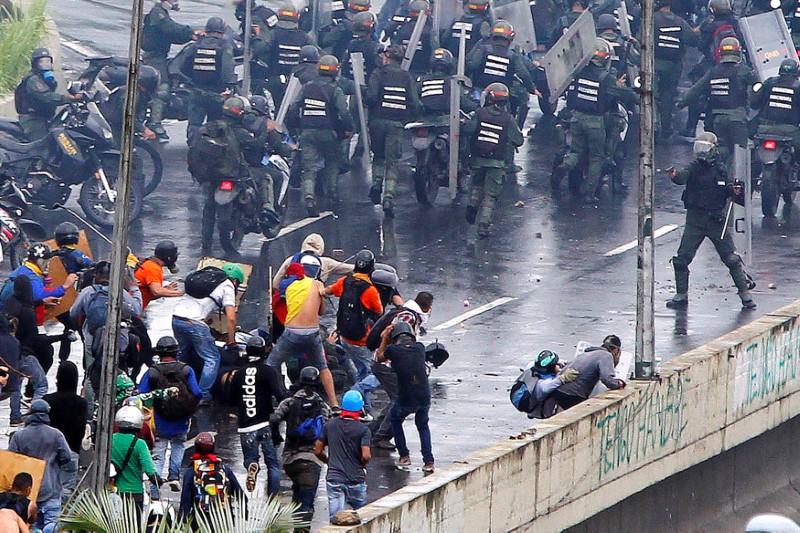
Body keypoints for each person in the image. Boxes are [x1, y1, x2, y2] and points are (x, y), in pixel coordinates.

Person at [665, 132, 757, 310]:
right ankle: (681, 295)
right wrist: (674, 175)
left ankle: (745, 295)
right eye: (699, 148)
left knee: (731, 259)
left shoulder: (720, 169)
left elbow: (726, 188)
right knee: (681, 259)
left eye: (705, 148)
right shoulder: (694, 167)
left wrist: (735, 190)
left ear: (713, 149)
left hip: (716, 222)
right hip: (695, 220)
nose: (702, 153)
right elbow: (682, 176)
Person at [551, 39, 633, 205]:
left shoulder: (579, 71)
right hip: (595, 122)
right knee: (597, 157)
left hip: (576, 118)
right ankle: (589, 193)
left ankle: (565, 166)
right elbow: (626, 94)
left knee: (575, 151)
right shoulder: (606, 77)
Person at [288, 54, 354, 216]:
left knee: (309, 167)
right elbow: (344, 113)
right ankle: (333, 195)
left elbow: (293, 108)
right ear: (335, 71)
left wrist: (295, 125)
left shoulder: (307, 87)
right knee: (332, 162)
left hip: (307, 132)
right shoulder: (335, 90)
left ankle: (309, 197)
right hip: (328, 133)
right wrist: (349, 128)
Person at [267, 260, 340, 408]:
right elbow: (321, 312)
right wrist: (320, 294)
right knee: (323, 367)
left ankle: (279, 396)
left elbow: (281, 306)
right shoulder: (316, 284)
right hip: (313, 334)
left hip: (292, 334)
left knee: (271, 363)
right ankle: (335, 404)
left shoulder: (287, 285)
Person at [69, 261, 143, 404]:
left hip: (92, 342)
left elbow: (73, 313)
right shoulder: (119, 292)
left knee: (90, 376)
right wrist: (134, 289)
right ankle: (118, 403)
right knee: (119, 371)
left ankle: (90, 409)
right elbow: (136, 310)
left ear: (96, 275)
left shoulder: (88, 291)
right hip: (117, 342)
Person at [139, 336, 202, 495]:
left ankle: (154, 490)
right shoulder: (186, 370)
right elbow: (197, 392)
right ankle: (174, 476)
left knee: (159, 452)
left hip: (160, 420)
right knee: (178, 444)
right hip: (182, 419)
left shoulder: (152, 372)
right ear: (176, 352)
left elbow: (142, 394)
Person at [171, 263, 242, 403]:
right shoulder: (227, 284)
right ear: (235, 280)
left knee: (182, 356)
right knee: (212, 359)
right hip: (194, 323)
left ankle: (175, 387)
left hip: (176, 319)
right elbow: (231, 318)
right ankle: (202, 395)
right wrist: (231, 340)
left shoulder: (207, 281)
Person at [677, 37, 756, 163]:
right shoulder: (743, 70)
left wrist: (680, 104)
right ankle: (737, 179)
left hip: (717, 118)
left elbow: (696, 90)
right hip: (737, 118)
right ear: (738, 52)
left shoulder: (713, 72)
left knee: (722, 149)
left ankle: (719, 173)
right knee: (740, 152)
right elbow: (758, 87)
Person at [271, 366, 332, 524]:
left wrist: (276, 437)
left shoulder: (290, 402)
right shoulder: (322, 406)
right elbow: (327, 428)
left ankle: (295, 525)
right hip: (311, 461)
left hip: (290, 460)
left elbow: (274, 418)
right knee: (306, 504)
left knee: (297, 495)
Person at [462, 82, 523, 238]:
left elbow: (468, 130)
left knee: (476, 185)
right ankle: (483, 225)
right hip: (496, 164)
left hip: (477, 160)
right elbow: (519, 140)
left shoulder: (479, 113)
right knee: (490, 195)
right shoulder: (508, 119)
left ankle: (472, 204)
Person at [366, 44, 421, 216]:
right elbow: (414, 102)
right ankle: (388, 197)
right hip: (396, 124)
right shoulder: (406, 77)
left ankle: (376, 184)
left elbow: (371, 97)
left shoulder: (378, 73)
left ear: (387, 57)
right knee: (392, 161)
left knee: (379, 157)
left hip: (377, 122)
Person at [8, 400, 75, 531]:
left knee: (31, 528)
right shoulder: (56, 435)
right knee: (53, 527)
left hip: (28, 494)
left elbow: (11, 461)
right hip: (51, 491)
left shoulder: (19, 436)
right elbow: (67, 457)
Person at [229, 336, 285, 496]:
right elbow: (280, 394)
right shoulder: (268, 371)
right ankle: (273, 498)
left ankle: (252, 465)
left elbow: (230, 400)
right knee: (273, 464)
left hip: (246, 426)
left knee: (249, 458)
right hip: (266, 423)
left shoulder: (239, 374)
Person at [375, 322, 434, 472]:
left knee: (395, 419)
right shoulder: (420, 348)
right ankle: (428, 461)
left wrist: (384, 338)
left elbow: (379, 358)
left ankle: (404, 456)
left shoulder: (392, 350)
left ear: (394, 338)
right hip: (424, 394)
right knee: (422, 426)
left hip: (406, 395)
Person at [322, 249, 383, 387]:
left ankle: (354, 386)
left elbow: (326, 291)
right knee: (371, 374)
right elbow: (379, 311)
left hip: (344, 336)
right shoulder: (370, 290)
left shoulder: (344, 281)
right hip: (361, 340)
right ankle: (357, 394)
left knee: (356, 366)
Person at [141, 0, 197, 142]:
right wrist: (190, 32)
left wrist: (191, 37)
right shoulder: (158, 13)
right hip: (154, 58)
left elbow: (173, 35)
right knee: (163, 87)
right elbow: (169, 27)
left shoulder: (162, 13)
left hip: (159, 56)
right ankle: (154, 123)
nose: (176, 2)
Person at [315, 390, 371, 521]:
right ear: (360, 408)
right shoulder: (363, 430)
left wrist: (328, 462)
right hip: (355, 479)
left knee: (335, 520)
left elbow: (317, 450)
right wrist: (362, 465)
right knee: (359, 518)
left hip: (334, 479)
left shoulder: (330, 425)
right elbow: (366, 455)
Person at [180, 16, 236, 143]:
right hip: (217, 93)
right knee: (214, 124)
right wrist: (228, 87)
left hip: (196, 91)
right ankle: (210, 150)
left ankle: (193, 149)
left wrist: (194, 78)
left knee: (194, 124)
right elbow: (227, 71)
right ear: (222, 31)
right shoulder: (224, 46)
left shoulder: (196, 45)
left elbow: (183, 66)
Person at [4, 276, 60, 391]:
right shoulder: (28, 313)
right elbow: (35, 340)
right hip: (23, 353)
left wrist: (42, 301)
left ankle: (15, 408)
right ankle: (32, 395)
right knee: (42, 384)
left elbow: (24, 305)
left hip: (8, 349)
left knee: (16, 384)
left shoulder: (11, 302)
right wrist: (61, 337)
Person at [42, 362, 87, 503]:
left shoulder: (47, 400)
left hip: (48, 453)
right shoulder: (81, 403)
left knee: (46, 492)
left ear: (58, 378)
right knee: (66, 493)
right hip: (72, 450)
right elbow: (81, 428)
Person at [14, 48, 81, 140]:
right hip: (33, 119)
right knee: (43, 146)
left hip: (44, 117)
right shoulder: (33, 80)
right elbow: (46, 97)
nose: (45, 64)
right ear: (35, 64)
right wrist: (68, 98)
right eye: (41, 62)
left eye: (48, 61)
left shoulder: (45, 79)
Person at [2, 243, 78, 321]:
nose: (48, 264)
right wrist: (65, 286)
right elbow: (40, 296)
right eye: (46, 261)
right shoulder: (32, 277)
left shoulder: (23, 269)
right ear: (40, 260)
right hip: (7, 318)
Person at [653, 0, 697, 137]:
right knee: (668, 96)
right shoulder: (680, 22)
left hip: (654, 64)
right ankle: (666, 127)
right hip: (673, 67)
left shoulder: (651, 19)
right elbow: (693, 40)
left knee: (650, 95)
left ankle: (652, 124)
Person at [255, 4, 312, 109]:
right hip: (297, 80)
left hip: (275, 79)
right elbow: (316, 52)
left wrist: (257, 37)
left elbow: (259, 49)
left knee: (277, 107)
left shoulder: (273, 34)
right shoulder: (304, 36)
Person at [178, 432, 245, 520]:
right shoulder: (224, 469)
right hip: (224, 519)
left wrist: (182, 519)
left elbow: (186, 500)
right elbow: (239, 493)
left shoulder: (192, 471)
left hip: (200, 519)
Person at [552, 335, 626, 409]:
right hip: (573, 394)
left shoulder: (585, 354)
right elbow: (607, 379)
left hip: (558, 390)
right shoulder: (607, 355)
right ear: (617, 350)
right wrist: (619, 384)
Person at [0, 313, 47, 428]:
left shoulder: (12, 306)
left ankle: (16, 416)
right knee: (41, 385)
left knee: (17, 387)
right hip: (24, 358)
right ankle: (35, 414)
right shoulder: (13, 340)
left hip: (11, 370)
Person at [112, 406, 160, 508]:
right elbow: (150, 471)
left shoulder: (110, 440)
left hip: (112, 492)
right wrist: (158, 481)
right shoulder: (139, 444)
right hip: (134, 492)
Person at [751, 59, 800, 159]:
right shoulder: (798, 87)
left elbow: (754, 104)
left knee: (754, 156)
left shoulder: (769, 82)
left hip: (764, 129)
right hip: (789, 131)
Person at [272, 233, 353, 286]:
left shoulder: (291, 260)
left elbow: (276, 283)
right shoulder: (326, 262)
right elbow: (351, 269)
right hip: (314, 302)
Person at [387, 0, 439, 74]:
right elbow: (436, 50)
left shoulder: (402, 29)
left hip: (404, 69)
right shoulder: (430, 31)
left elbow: (395, 47)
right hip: (424, 70)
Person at [135, 240, 183, 310]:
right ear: (169, 258)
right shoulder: (153, 268)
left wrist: (165, 290)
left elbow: (149, 293)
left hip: (133, 306)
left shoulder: (149, 263)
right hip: (132, 310)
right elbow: (156, 291)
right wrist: (181, 293)